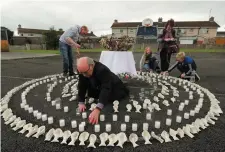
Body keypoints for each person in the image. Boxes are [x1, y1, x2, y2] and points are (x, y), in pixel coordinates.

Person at [77, 57, 129, 125]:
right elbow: (82, 84)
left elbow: (106, 88)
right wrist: (81, 101)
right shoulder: (82, 69)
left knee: (112, 97)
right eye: (81, 73)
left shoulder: (102, 70)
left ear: (91, 66)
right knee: (92, 93)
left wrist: (98, 109)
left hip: (113, 85)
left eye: (85, 72)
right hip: (98, 84)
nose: (84, 75)